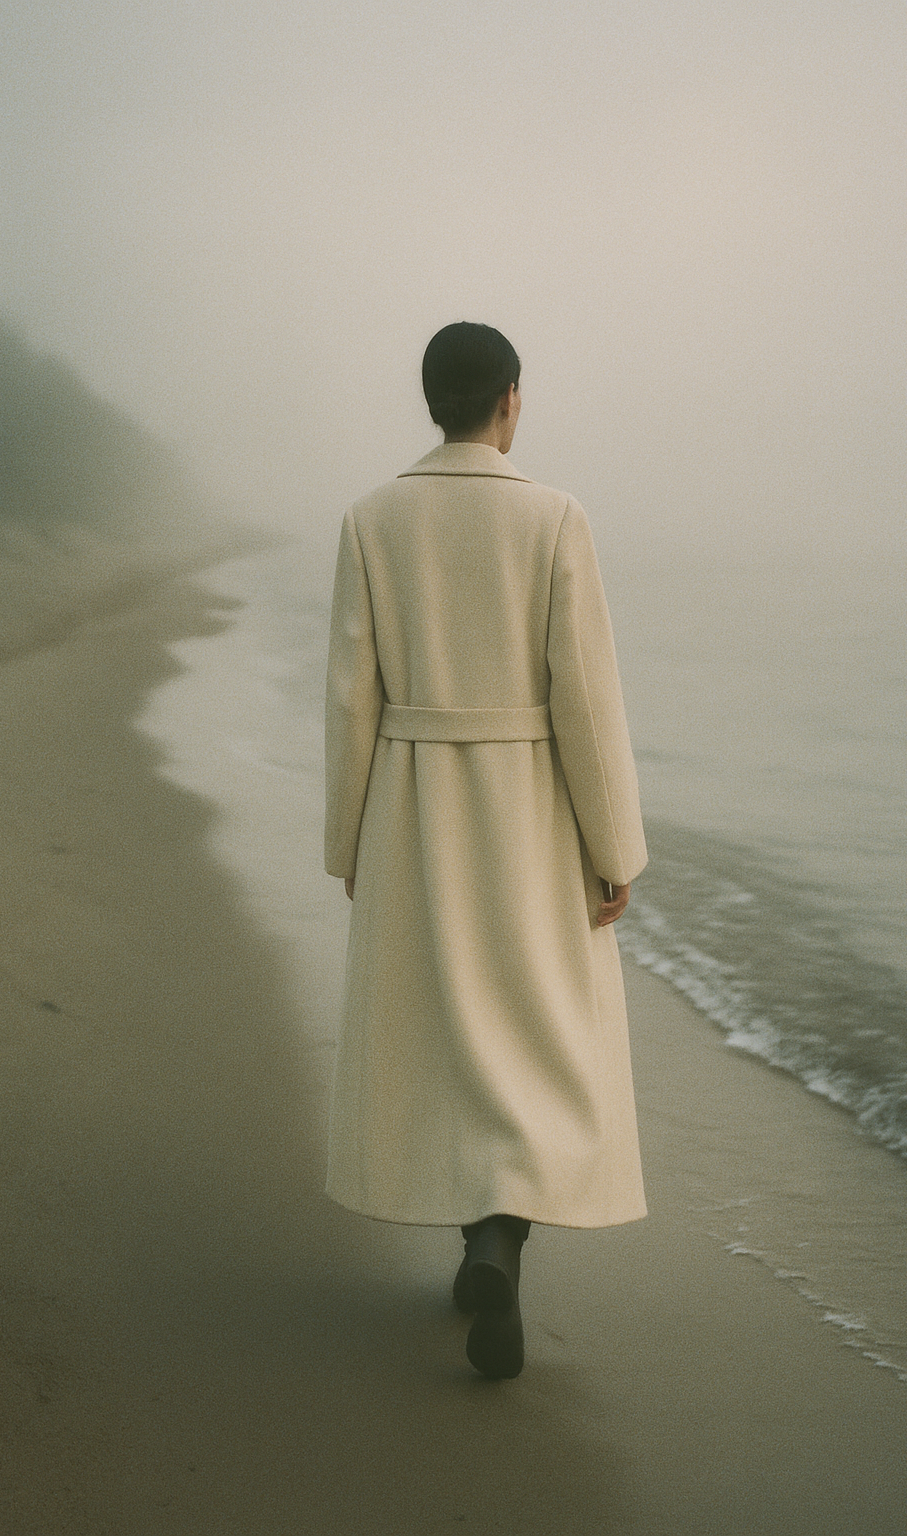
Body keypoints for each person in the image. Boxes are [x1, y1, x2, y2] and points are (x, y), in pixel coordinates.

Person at [324, 322, 647, 1380]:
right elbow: (584, 700)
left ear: (433, 401)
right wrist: (614, 849)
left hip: (413, 804)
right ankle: (502, 1240)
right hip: (530, 810)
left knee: (445, 1029)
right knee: (535, 1029)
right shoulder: (554, 517)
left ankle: (483, 1239)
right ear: (510, 399)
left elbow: (350, 697)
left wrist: (350, 844)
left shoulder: (372, 519)